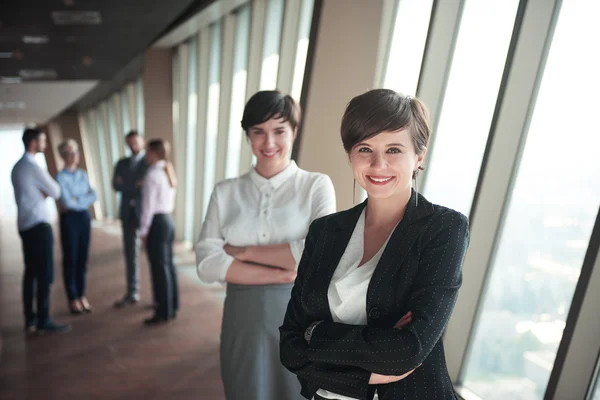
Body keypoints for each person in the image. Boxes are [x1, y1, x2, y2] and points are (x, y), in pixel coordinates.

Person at [279, 89, 470, 400]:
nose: (378, 164)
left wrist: (315, 335)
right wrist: (374, 357)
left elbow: (408, 352)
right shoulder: (325, 231)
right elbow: (289, 346)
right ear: (350, 155)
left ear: (419, 156)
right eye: (365, 148)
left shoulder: (443, 229)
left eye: (394, 149)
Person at [195, 90, 336, 400]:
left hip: (301, 316)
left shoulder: (315, 185)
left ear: (294, 132)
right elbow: (206, 263)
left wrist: (241, 252)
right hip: (241, 315)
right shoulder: (226, 191)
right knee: (246, 388)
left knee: (297, 390)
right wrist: (281, 272)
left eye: (279, 131)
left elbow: (321, 256)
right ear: (248, 136)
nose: (268, 142)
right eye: (258, 132)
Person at [11, 128, 72, 334]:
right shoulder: (33, 167)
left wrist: (41, 191)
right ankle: (44, 319)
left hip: (25, 224)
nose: (45, 144)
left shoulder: (17, 167)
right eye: (43, 140)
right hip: (39, 225)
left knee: (30, 273)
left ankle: (31, 319)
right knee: (45, 274)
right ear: (33, 143)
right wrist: (44, 191)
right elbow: (56, 191)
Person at [139, 139, 179, 324]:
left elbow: (147, 207)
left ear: (154, 153)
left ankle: (162, 311)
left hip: (156, 223)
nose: (146, 155)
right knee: (168, 266)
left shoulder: (152, 175)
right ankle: (172, 305)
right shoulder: (167, 171)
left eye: (147, 152)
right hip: (168, 221)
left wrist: (144, 232)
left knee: (159, 268)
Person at [56, 139, 96, 315]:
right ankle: (72, 298)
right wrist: (81, 200)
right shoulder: (60, 177)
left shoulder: (82, 175)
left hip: (83, 218)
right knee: (70, 259)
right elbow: (66, 202)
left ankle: (82, 295)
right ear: (63, 156)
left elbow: (93, 195)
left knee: (82, 258)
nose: (73, 156)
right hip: (69, 220)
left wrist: (77, 200)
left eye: (75, 152)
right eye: (69, 153)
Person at [112, 130, 149, 307]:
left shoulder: (148, 162)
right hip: (127, 213)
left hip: (145, 213)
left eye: (136, 142)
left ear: (142, 142)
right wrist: (134, 184)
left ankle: (158, 296)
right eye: (130, 142)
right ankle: (132, 291)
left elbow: (144, 186)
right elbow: (115, 185)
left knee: (153, 255)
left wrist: (127, 184)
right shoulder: (121, 162)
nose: (133, 145)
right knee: (130, 253)